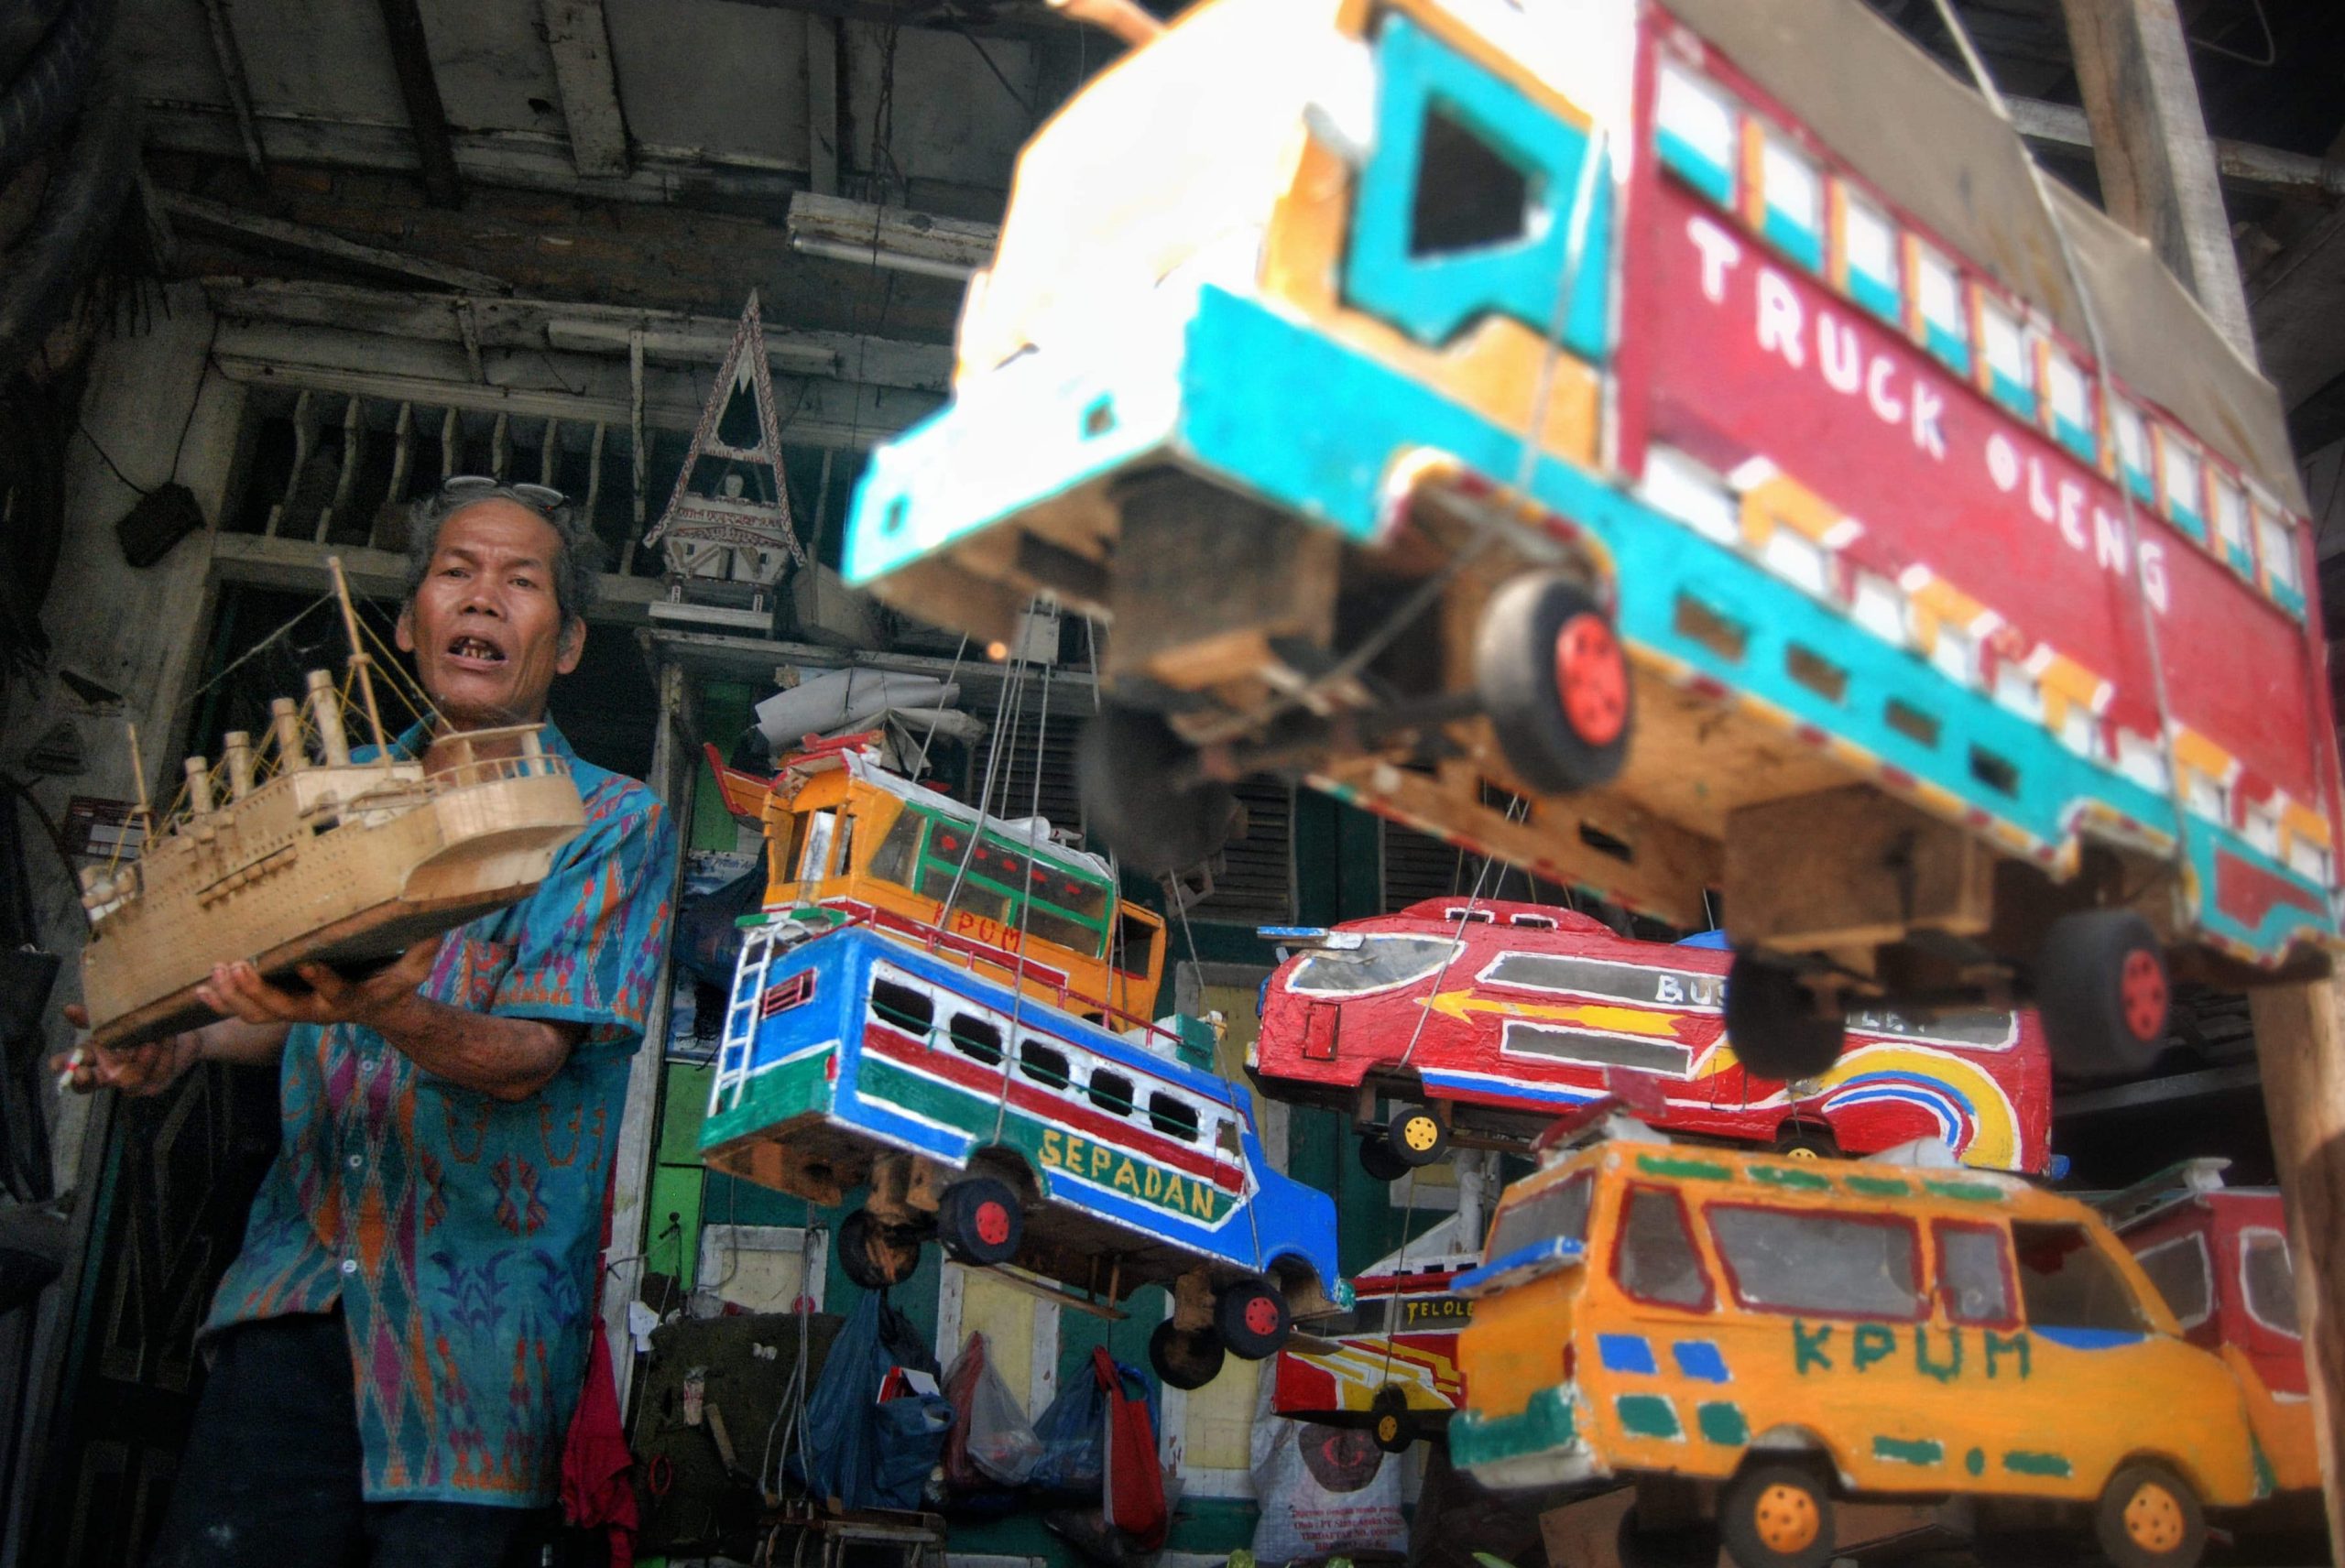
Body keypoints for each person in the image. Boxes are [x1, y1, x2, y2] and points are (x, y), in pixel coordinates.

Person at [59, 479, 678, 1568]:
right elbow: (294, 1011)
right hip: (290, 1303)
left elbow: (533, 1054)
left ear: (567, 641)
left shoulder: (609, 821)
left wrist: (387, 1003)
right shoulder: (334, 797)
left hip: (474, 1352)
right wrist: (188, 1039)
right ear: (406, 622)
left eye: (520, 581)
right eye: (455, 572)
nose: (482, 598)